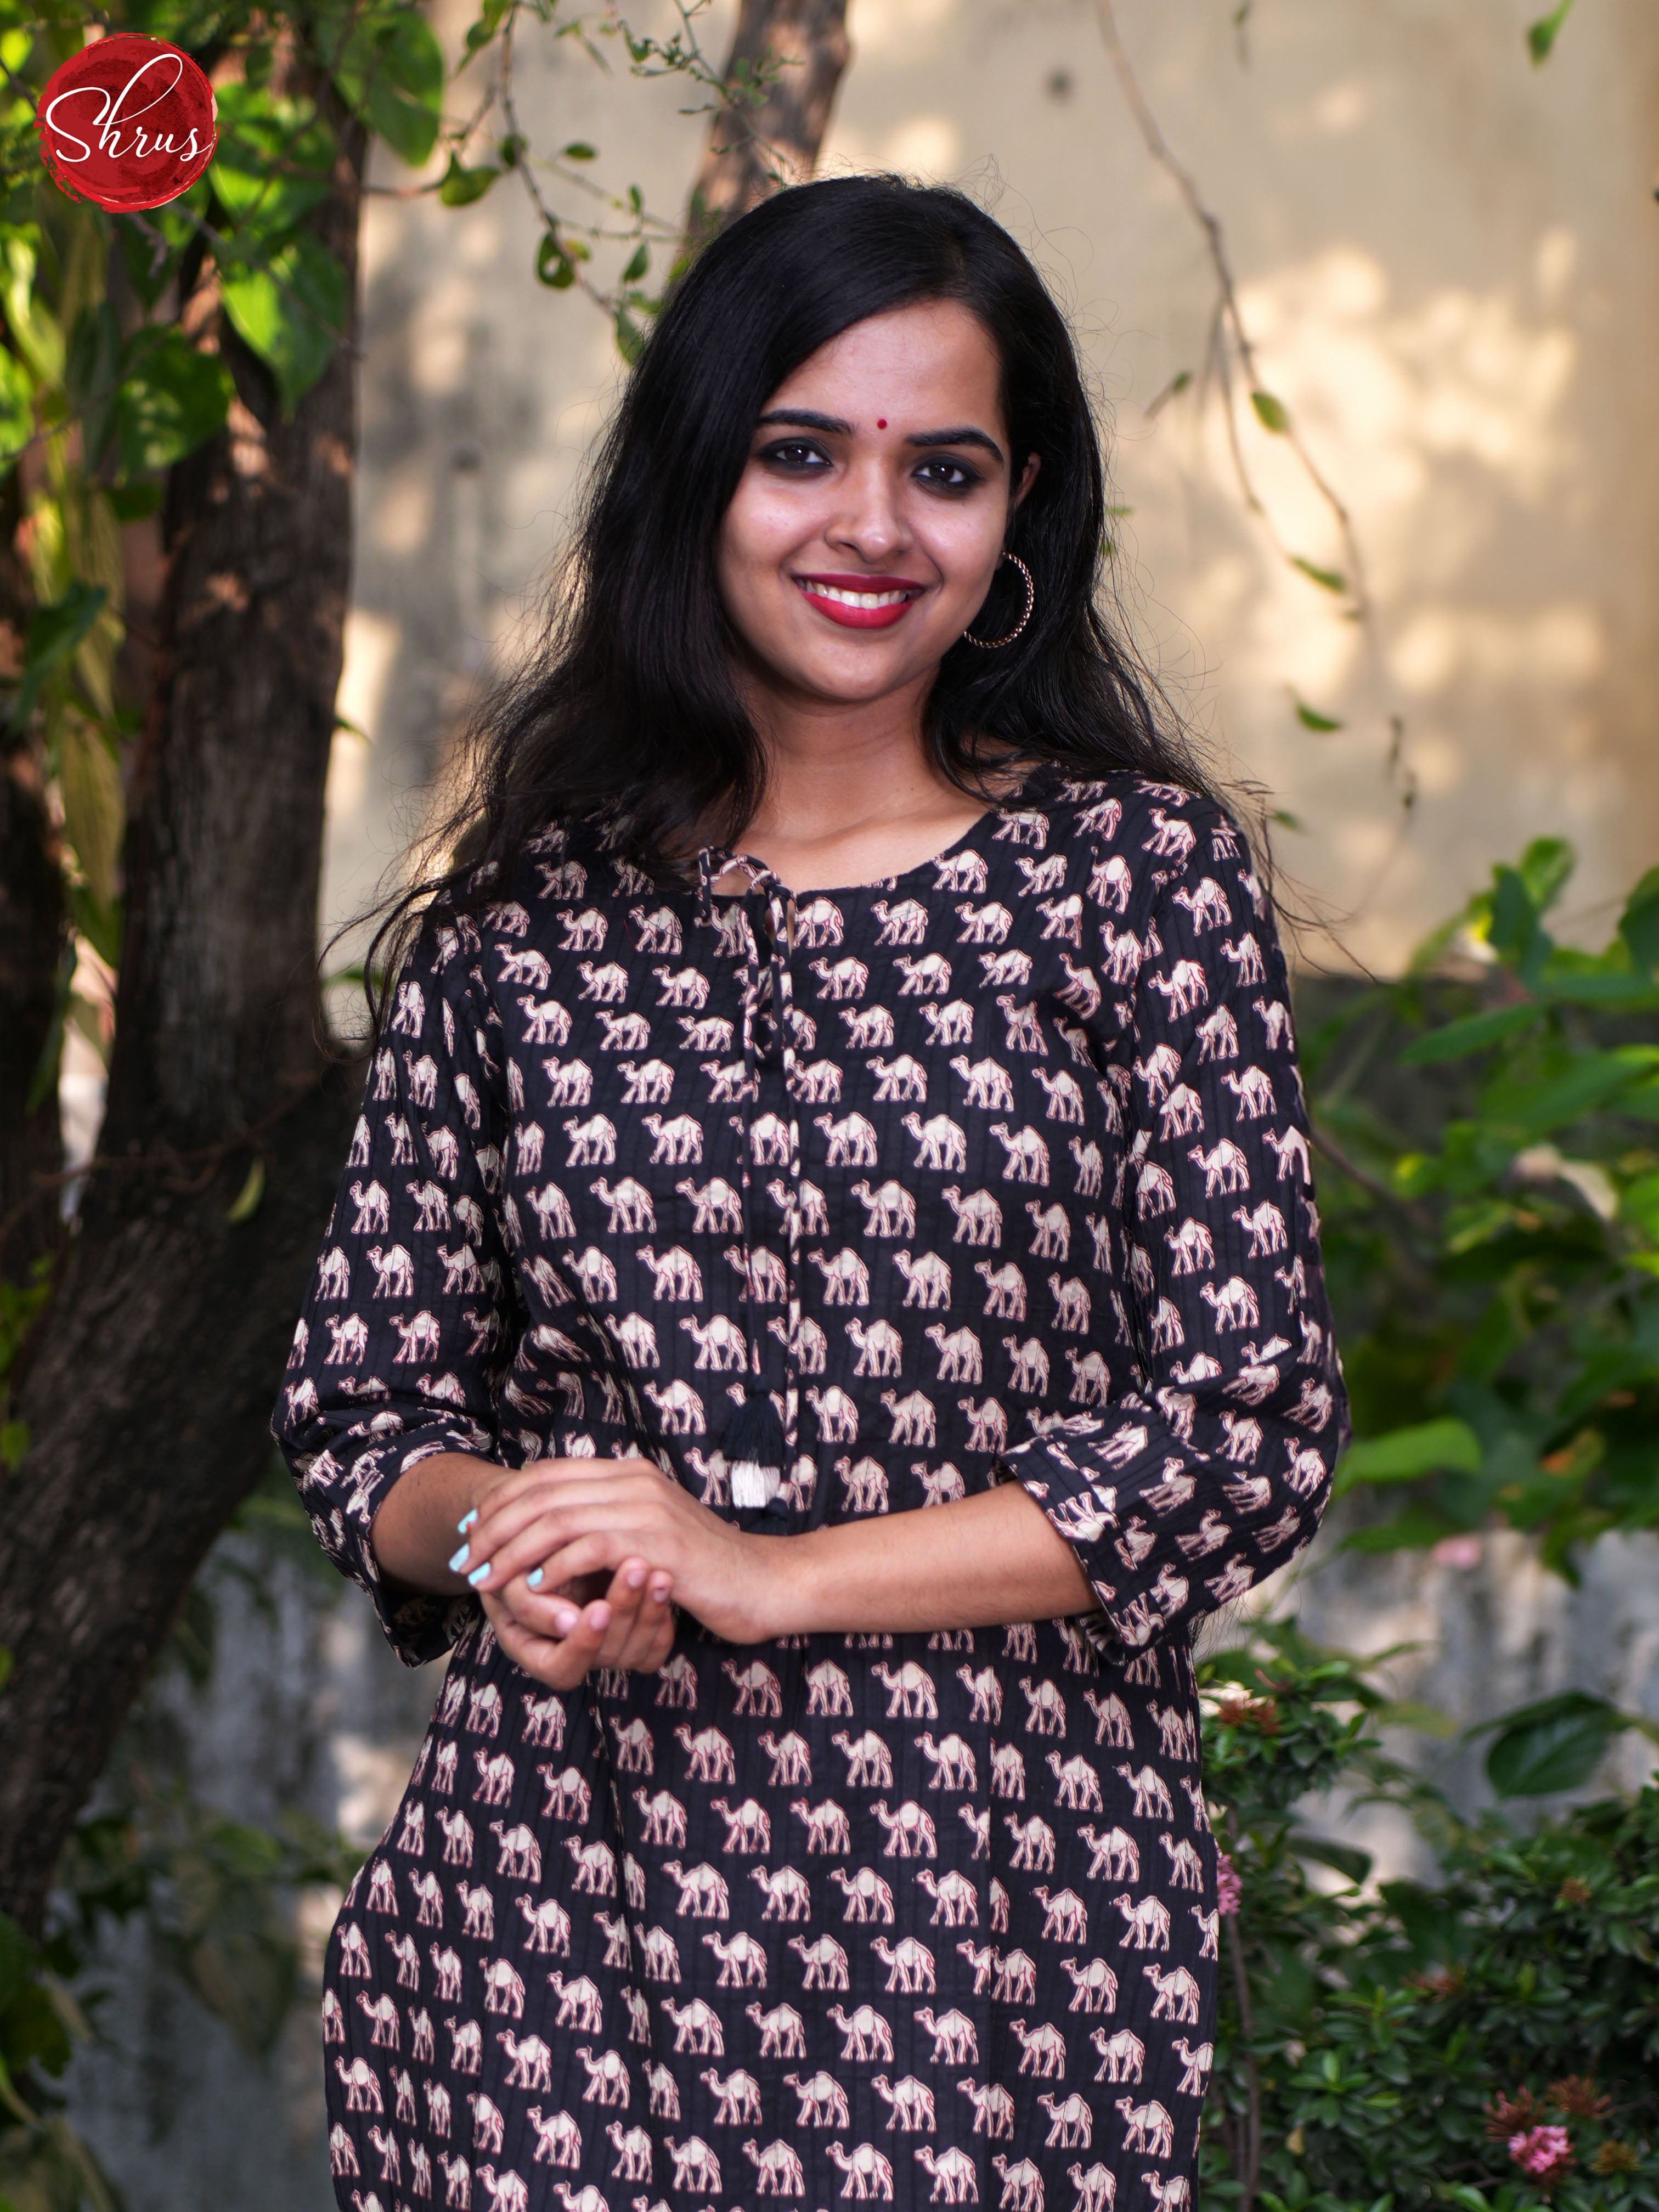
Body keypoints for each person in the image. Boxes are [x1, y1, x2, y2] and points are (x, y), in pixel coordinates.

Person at [275, 173, 1348, 2212]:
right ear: (699, 477)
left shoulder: (1133, 886)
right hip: (540, 1954)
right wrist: (523, 1540)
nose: (873, 525)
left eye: (944, 469)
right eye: (801, 453)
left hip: (990, 1947)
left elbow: (1245, 1434)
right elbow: (364, 1415)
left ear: (1019, 516)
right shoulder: (529, 922)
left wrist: (771, 1570)